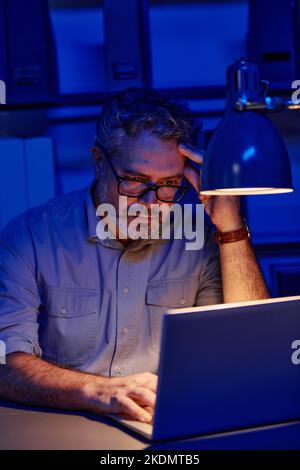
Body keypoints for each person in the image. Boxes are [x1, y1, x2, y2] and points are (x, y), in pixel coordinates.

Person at [0, 88, 269, 424]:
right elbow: (4, 362)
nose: (152, 203)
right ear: (99, 163)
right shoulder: (29, 237)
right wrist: (97, 391)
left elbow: (250, 350)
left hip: (165, 430)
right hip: (62, 431)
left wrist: (230, 227)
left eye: (169, 184)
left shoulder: (200, 236)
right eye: (135, 181)